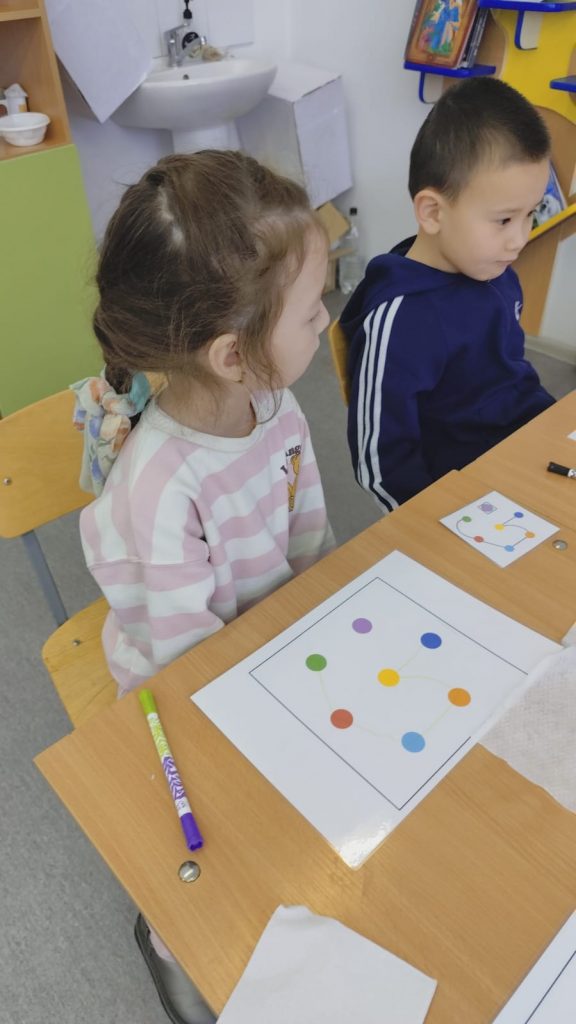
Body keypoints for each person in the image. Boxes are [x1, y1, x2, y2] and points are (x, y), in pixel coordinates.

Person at [71, 150, 334, 1024]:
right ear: (232, 354)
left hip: (266, 651)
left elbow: (311, 538)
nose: (326, 318)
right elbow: (192, 675)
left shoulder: (277, 404)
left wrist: (318, 627)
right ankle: (170, 939)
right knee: (220, 851)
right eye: (311, 309)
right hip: (181, 694)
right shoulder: (160, 490)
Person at [340, 77, 555, 514]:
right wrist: (431, 525)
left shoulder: (493, 269)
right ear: (433, 212)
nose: (520, 239)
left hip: (526, 450)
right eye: (504, 220)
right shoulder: (399, 319)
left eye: (530, 214)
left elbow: (511, 378)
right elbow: (380, 464)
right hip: (464, 497)